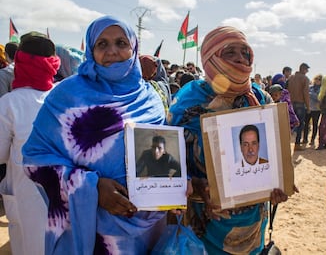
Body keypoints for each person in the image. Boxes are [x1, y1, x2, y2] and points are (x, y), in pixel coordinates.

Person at [22, 16, 169, 254]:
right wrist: (91, 187)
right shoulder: (67, 95)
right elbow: (34, 158)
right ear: (91, 50)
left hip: (146, 229)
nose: (112, 51)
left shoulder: (150, 97)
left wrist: (175, 182)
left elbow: (161, 153)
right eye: (102, 44)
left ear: (133, 49)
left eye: (121, 43)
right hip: (91, 231)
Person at [168, 26, 291, 254]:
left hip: (252, 223)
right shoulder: (187, 101)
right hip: (204, 224)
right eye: (229, 52)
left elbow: (273, 155)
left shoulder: (259, 98)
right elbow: (168, 162)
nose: (239, 59)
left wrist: (277, 186)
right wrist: (195, 186)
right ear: (210, 57)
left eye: (244, 52)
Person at [0, 32, 60, 255]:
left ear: (20, 62)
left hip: (27, 198)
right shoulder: (62, 96)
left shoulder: (10, 103)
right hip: (64, 198)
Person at [287, 63, 311, 151]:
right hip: (300, 104)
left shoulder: (291, 78)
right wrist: (308, 107)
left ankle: (286, 144)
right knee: (300, 124)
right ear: (303, 69)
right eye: (307, 69)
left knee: (289, 125)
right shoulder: (305, 79)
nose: (307, 71)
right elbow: (306, 93)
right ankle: (297, 144)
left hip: (291, 103)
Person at [303, 74, 322, 146]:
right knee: (306, 124)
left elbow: (318, 98)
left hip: (316, 109)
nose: (317, 80)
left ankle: (312, 140)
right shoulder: (310, 87)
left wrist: (310, 94)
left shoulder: (321, 89)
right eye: (316, 79)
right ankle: (305, 139)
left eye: (319, 79)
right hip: (307, 108)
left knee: (315, 124)